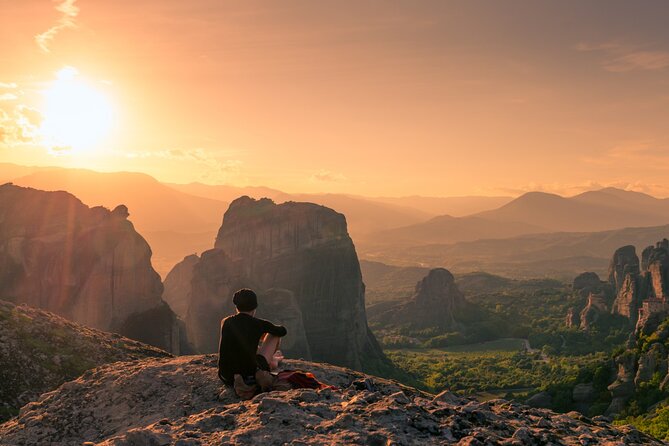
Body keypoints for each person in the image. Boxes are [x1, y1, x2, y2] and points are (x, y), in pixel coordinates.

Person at [218, 288, 287, 387]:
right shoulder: (259, 324)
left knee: (242, 343)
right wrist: (264, 330)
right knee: (274, 335)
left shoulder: (225, 321)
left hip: (226, 376)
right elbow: (282, 331)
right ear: (255, 307)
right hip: (249, 376)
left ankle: (274, 359)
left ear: (237, 307)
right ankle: (273, 360)